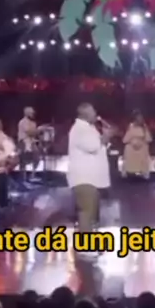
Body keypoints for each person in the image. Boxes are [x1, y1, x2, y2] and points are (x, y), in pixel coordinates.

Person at [67, 103, 110, 256]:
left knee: (91, 213)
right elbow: (93, 146)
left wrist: (104, 138)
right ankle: (85, 248)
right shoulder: (80, 129)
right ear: (84, 114)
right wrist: (106, 136)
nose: (95, 114)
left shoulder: (88, 128)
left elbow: (99, 147)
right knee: (86, 212)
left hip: (91, 178)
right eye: (92, 112)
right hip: (83, 177)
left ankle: (91, 245)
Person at [122, 111, 152, 178]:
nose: (140, 120)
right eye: (138, 118)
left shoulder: (144, 127)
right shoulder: (131, 126)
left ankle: (145, 172)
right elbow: (125, 140)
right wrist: (133, 142)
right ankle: (126, 171)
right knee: (127, 147)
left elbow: (149, 139)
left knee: (145, 148)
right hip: (132, 146)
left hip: (142, 147)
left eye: (141, 118)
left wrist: (141, 142)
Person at [18, 106, 40, 178]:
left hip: (32, 142)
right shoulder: (22, 122)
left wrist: (38, 131)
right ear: (27, 113)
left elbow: (34, 134)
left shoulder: (33, 123)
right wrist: (39, 130)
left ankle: (33, 174)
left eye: (33, 113)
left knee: (37, 157)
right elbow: (29, 132)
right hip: (23, 142)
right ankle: (22, 177)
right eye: (31, 113)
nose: (33, 114)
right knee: (23, 160)